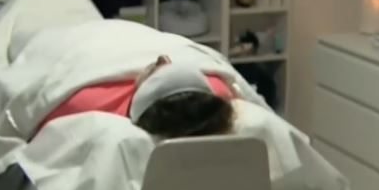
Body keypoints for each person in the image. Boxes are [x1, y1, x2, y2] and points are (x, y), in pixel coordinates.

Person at [36, 55, 237, 139]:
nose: (163, 57)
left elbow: (35, 116)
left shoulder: (83, 101)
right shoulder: (218, 88)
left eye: (157, 70)